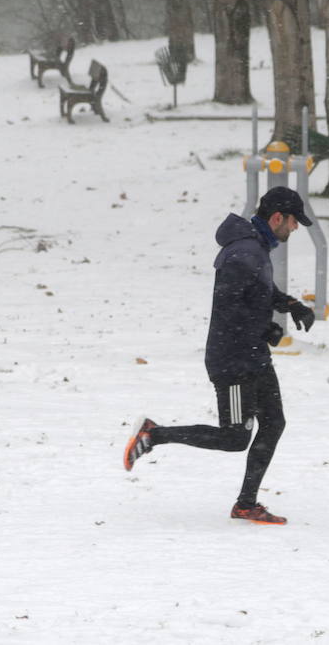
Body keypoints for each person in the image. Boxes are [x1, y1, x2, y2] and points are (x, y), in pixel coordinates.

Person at [122, 186, 317, 525]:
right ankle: (153, 434)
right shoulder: (244, 253)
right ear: (276, 218)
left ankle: (246, 503)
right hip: (235, 362)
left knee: (273, 423)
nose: (295, 228)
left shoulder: (256, 248)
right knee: (234, 437)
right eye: (293, 222)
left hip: (252, 355)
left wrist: (289, 304)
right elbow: (230, 310)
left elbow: (259, 291)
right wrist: (265, 329)